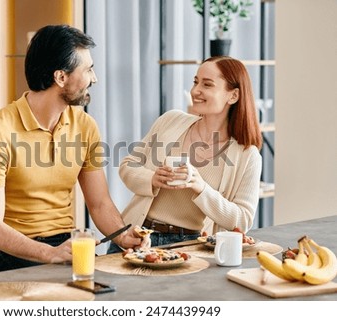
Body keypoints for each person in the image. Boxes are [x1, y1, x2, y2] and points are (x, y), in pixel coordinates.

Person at [0, 24, 142, 273]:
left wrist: (123, 236)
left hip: (66, 243)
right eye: (89, 70)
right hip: (12, 251)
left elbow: (100, 204)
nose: (94, 79)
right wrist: (48, 254)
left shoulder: (85, 125)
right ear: (61, 77)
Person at [112, 56, 262, 250]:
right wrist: (152, 179)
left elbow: (242, 221)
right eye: (195, 82)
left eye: (207, 85)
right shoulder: (171, 121)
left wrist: (201, 187)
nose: (195, 91)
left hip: (188, 248)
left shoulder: (247, 156)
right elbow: (128, 165)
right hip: (134, 236)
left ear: (233, 96)